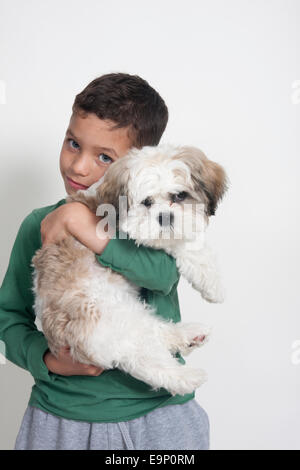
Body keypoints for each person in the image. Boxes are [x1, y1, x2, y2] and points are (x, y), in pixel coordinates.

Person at [0, 73, 209, 450]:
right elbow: (8, 315)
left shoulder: (154, 220)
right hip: (62, 414)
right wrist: (45, 359)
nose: (78, 166)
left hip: (160, 413)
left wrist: (88, 230)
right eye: (72, 143)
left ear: (137, 167)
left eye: (103, 157)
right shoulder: (41, 224)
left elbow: (161, 275)